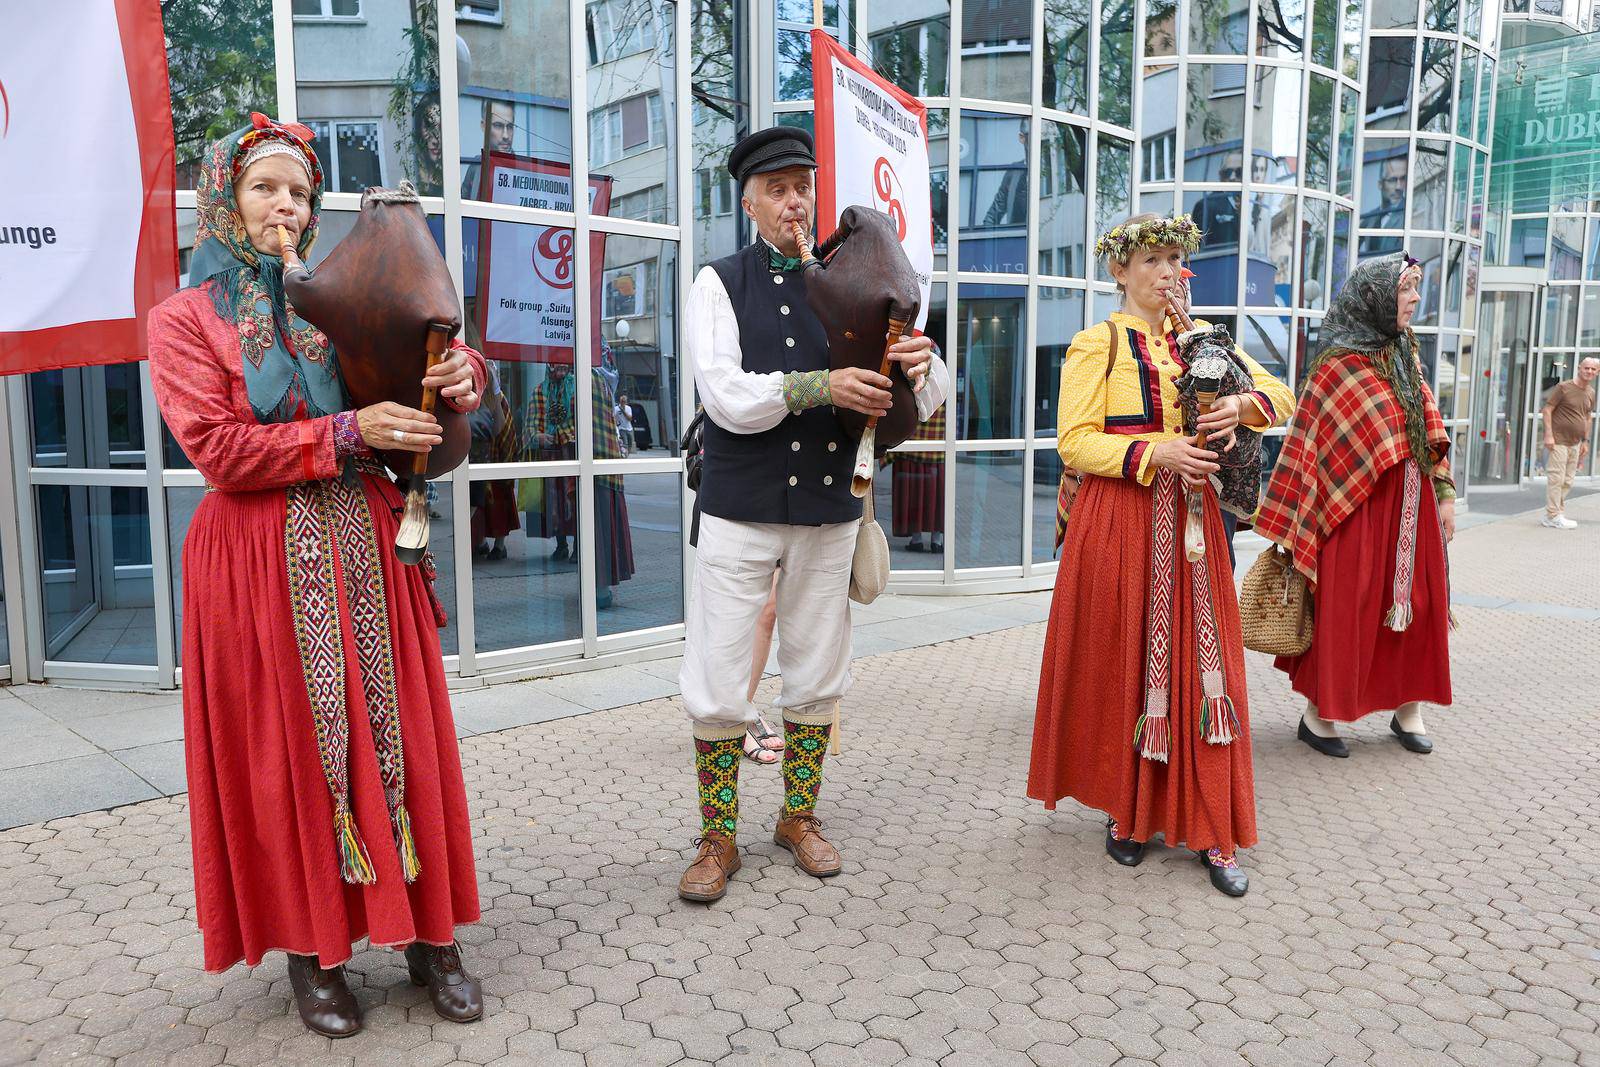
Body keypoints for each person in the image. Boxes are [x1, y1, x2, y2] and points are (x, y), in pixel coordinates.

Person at [147, 115, 484, 1036]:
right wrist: (348, 431)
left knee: (402, 735)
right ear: (226, 200)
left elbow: (420, 336)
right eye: (264, 188)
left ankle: (431, 940)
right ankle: (314, 953)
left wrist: (460, 375)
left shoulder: (338, 293)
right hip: (255, 563)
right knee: (286, 753)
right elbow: (217, 448)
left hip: (368, 545)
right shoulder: (182, 320)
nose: (284, 206)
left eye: (298, 191)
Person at [677, 127, 948, 902]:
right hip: (741, 508)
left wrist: (920, 368)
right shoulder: (717, 282)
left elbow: (929, 400)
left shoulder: (856, 281)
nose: (794, 201)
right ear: (749, 200)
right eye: (777, 189)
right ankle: (718, 834)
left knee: (819, 668)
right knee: (723, 670)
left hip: (831, 507)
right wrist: (819, 387)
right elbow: (724, 396)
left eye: (803, 186)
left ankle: (798, 816)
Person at [1028, 212, 1293, 898]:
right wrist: (1156, 450)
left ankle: (1213, 826)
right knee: (1127, 663)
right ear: (1120, 270)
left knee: (1208, 674)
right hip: (1120, 518)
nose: (1167, 271)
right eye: (1150, 259)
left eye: (1174, 258)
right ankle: (1129, 811)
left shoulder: (1204, 342)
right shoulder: (1099, 343)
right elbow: (1074, 442)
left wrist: (1240, 405)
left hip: (1194, 525)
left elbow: (1283, 397)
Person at [1255, 253, 1455, 759]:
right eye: (1405, 290)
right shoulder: (1337, 365)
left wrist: (1446, 492)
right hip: (1352, 511)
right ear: (1375, 298)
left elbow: (1428, 426)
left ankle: (1408, 708)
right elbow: (1312, 448)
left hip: (1411, 506)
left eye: (1414, 289)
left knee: (1420, 605)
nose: (1413, 299)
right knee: (1351, 607)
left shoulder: (1405, 352)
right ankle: (1319, 716)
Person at [1540, 357, 1597, 529]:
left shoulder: (1591, 393)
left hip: (1575, 443)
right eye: (1586, 368)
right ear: (1579, 368)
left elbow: (1587, 417)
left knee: (1568, 481)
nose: (1589, 372)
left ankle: (1557, 512)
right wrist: (1548, 435)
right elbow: (1547, 409)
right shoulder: (1563, 387)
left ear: (1597, 372)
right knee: (1556, 478)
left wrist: (1585, 441)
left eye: (1593, 370)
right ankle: (1552, 515)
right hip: (1558, 440)